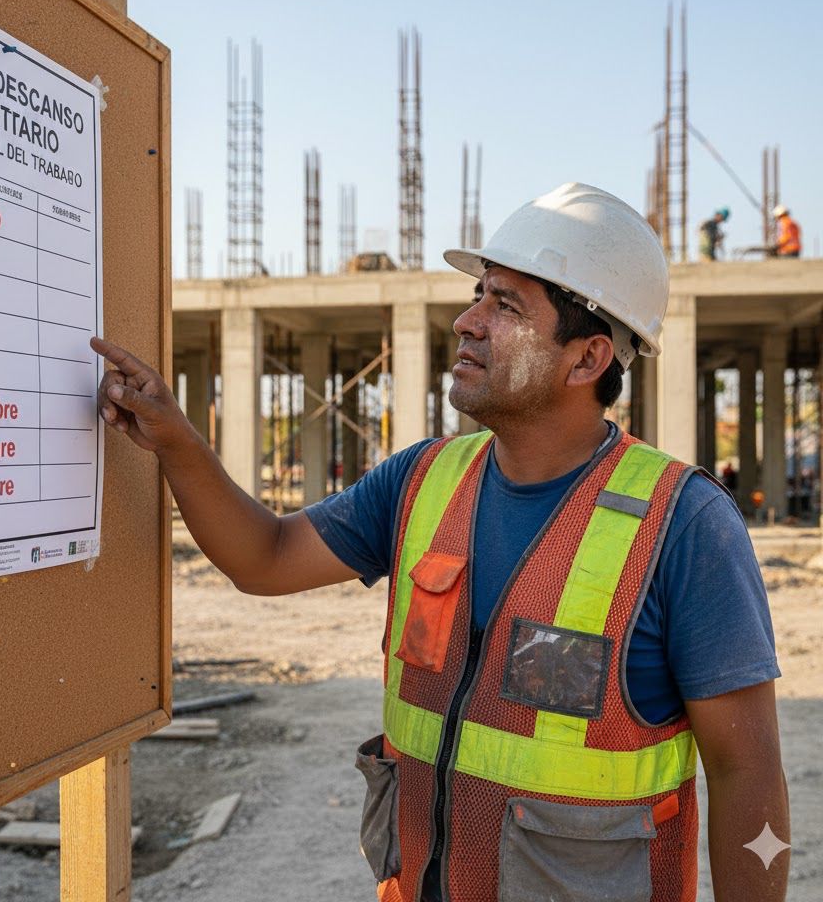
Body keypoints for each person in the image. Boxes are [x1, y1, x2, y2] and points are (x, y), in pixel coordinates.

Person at [92, 183, 788, 902]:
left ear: (587, 359)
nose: (467, 321)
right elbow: (264, 558)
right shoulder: (421, 480)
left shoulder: (683, 524)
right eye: (479, 294)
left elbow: (748, 773)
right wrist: (177, 442)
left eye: (506, 306)